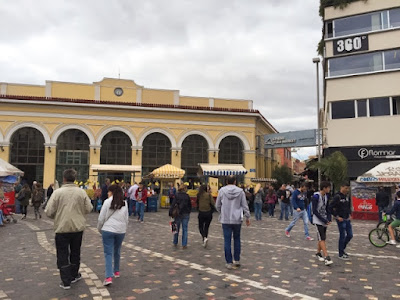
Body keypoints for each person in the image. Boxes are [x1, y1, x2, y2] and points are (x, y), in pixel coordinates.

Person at [45, 169, 93, 290]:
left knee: (62, 254)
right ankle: (74, 274)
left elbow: (49, 211)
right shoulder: (81, 192)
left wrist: (57, 216)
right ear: (75, 179)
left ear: (64, 179)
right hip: (77, 228)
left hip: (62, 228)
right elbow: (89, 208)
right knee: (75, 252)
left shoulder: (57, 193)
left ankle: (66, 281)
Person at [216, 175, 250, 270]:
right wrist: (247, 216)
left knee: (227, 240)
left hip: (226, 219)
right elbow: (244, 205)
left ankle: (229, 262)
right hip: (237, 219)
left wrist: (222, 212)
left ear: (227, 181)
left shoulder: (222, 191)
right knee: (237, 239)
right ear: (235, 181)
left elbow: (217, 205)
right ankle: (237, 259)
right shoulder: (240, 191)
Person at [97, 184, 129, 286]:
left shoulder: (107, 202)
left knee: (108, 253)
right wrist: (124, 228)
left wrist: (99, 229)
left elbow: (101, 218)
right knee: (117, 250)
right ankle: (116, 271)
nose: (107, 193)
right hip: (121, 230)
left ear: (112, 192)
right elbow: (126, 218)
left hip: (108, 229)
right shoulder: (124, 203)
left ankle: (108, 277)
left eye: (108, 191)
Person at [329, 182, 353, 260]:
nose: (347, 190)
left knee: (350, 235)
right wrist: (336, 216)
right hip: (340, 219)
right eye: (345, 188)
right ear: (341, 187)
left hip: (347, 218)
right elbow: (330, 207)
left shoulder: (346, 196)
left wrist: (349, 214)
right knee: (342, 235)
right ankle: (341, 253)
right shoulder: (337, 196)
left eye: (348, 188)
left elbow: (348, 206)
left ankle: (342, 248)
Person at [312, 181, 333, 266]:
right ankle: (326, 256)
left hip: (324, 219)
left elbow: (327, 208)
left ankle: (318, 253)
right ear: (324, 188)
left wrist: (328, 218)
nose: (329, 189)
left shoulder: (326, 196)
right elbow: (314, 211)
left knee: (322, 237)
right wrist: (322, 219)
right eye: (328, 187)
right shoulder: (316, 196)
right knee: (322, 238)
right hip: (317, 220)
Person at [169, 184, 192, 249]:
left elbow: (173, 204)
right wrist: (189, 211)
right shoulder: (187, 196)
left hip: (178, 213)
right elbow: (190, 205)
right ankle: (184, 244)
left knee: (176, 228)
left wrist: (171, 212)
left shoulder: (177, 195)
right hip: (185, 213)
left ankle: (175, 242)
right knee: (185, 229)